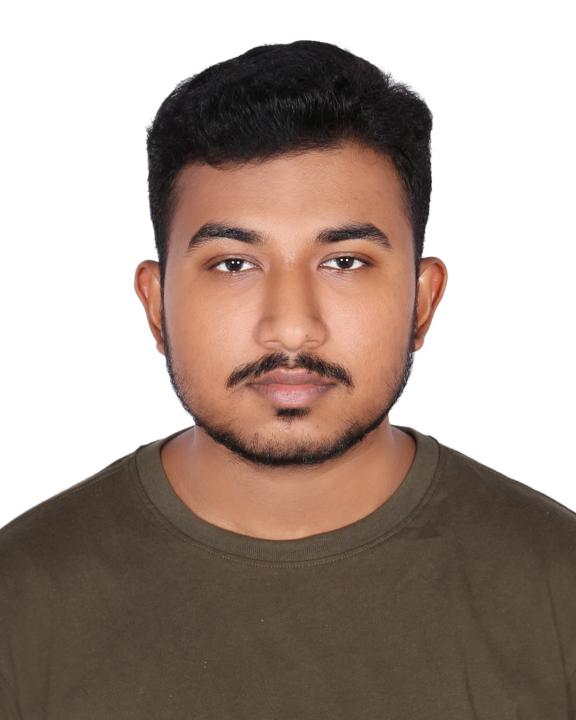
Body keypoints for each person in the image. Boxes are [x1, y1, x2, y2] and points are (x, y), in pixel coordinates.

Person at [1, 39, 575, 719]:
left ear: (422, 302)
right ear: (157, 306)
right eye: (234, 264)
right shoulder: (20, 602)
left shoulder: (558, 589)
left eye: (345, 262)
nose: (293, 329)